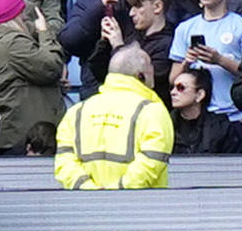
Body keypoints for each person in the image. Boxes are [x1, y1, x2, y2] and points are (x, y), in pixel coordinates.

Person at [55, 42, 173, 187]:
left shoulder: (77, 112)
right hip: (142, 206)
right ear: (141, 75)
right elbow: (152, 162)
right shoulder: (153, 111)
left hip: (87, 206)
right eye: (150, 66)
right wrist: (117, 192)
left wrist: (88, 190)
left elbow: (64, 162)